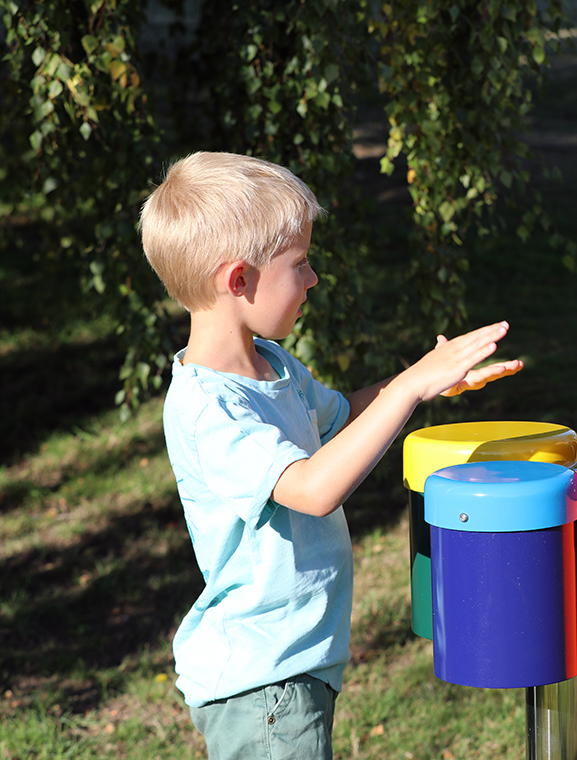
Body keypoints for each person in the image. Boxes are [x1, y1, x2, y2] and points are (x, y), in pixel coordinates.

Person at [139, 151, 522, 760]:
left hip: (291, 667)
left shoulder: (272, 366)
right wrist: (408, 387)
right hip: (264, 681)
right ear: (238, 280)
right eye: (300, 264)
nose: (313, 279)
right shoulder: (211, 409)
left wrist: (426, 384)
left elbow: (343, 419)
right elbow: (315, 489)